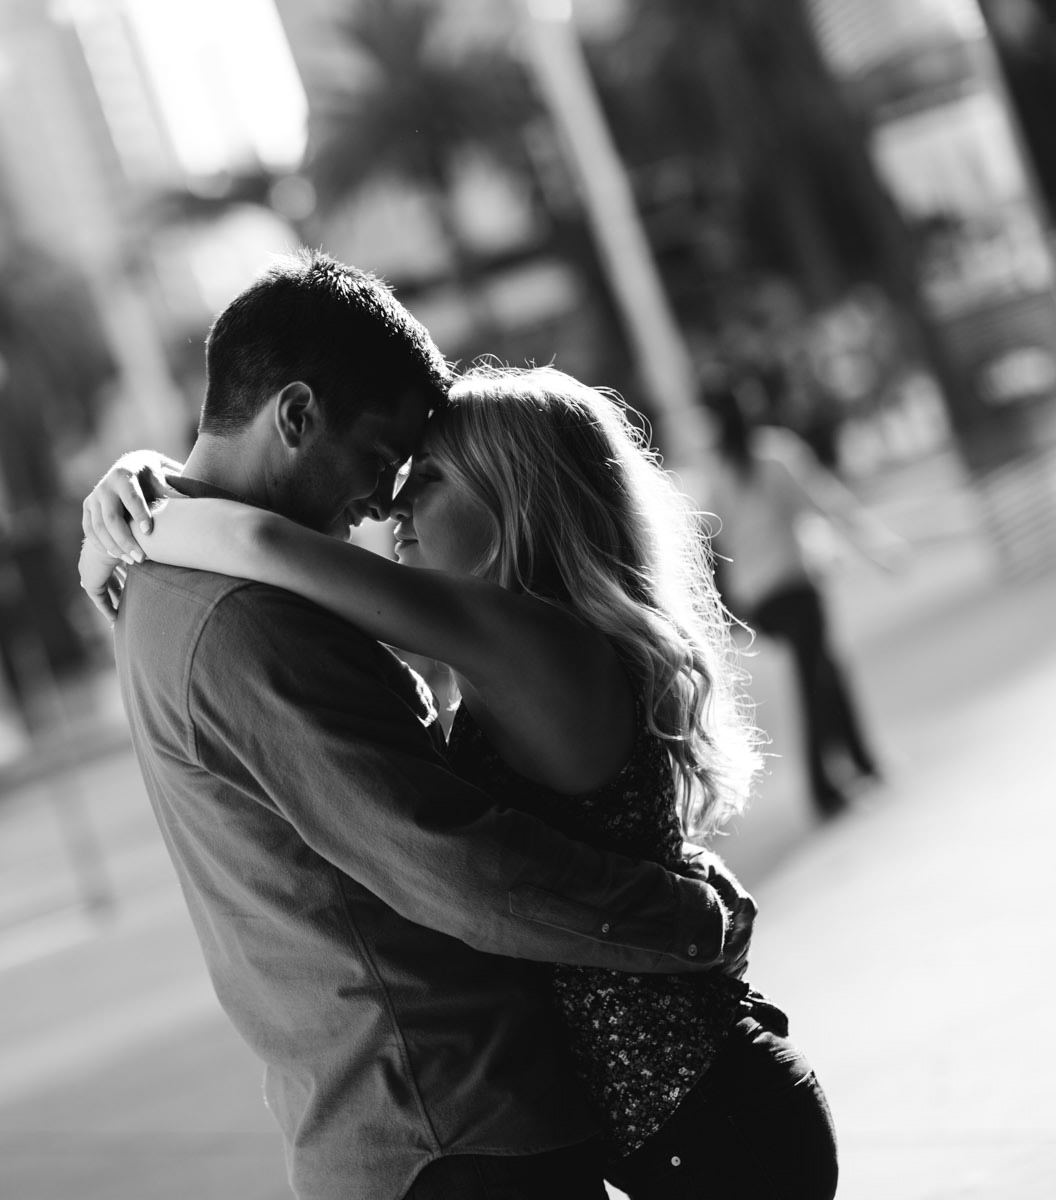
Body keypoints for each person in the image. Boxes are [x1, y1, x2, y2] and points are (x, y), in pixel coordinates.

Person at [76, 251, 758, 1200]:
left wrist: (147, 496)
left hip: (437, 1123)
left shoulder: (189, 582)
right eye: (379, 460)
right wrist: (688, 921)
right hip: (445, 1122)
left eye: (417, 479)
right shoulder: (245, 618)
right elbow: (458, 870)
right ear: (298, 416)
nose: (384, 500)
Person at [702, 384, 904, 816]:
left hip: (759, 600)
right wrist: (878, 548)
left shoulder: (718, 471)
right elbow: (828, 504)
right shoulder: (774, 455)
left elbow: (716, 546)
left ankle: (862, 761)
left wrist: (731, 611)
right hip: (793, 588)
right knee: (813, 680)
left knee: (825, 668)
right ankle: (822, 788)